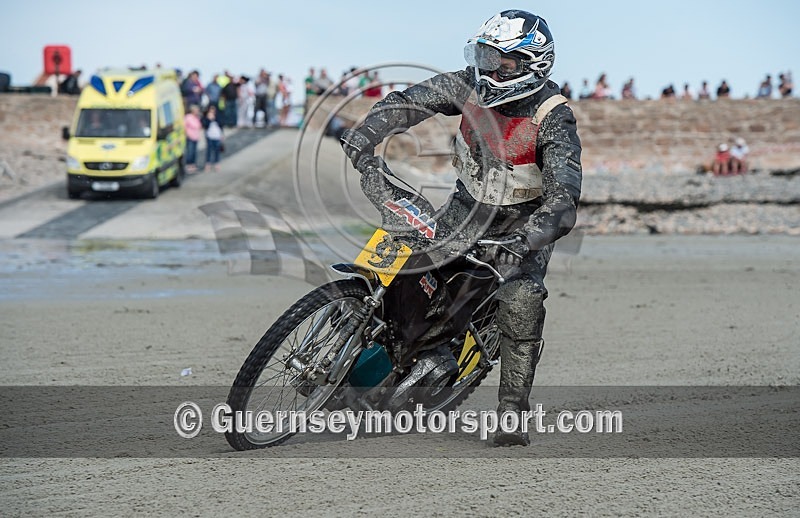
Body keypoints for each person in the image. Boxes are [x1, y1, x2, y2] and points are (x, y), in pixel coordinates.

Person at [341, 10, 582, 446]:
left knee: (520, 301)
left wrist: (526, 240)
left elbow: (563, 201)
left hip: (520, 228)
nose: (490, 68)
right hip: (464, 209)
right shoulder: (470, 84)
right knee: (403, 258)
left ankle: (511, 415)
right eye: (485, 55)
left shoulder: (553, 117)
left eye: (501, 62)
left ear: (532, 63)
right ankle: (374, 351)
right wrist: (366, 132)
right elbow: (410, 100)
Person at [202, 105, 224, 171]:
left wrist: (222, 135)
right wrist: (209, 119)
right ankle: (208, 164)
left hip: (217, 136)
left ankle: (216, 163)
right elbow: (205, 125)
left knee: (217, 151)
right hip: (210, 137)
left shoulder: (218, 117)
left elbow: (221, 125)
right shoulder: (206, 118)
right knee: (209, 151)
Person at [184, 105, 202, 172]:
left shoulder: (197, 117)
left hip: (196, 137)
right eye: (196, 110)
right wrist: (187, 135)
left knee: (194, 152)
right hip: (190, 137)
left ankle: (193, 164)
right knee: (190, 152)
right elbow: (185, 126)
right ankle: (188, 164)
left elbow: (199, 126)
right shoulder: (188, 117)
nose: (197, 112)